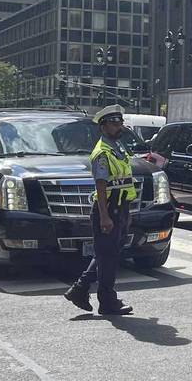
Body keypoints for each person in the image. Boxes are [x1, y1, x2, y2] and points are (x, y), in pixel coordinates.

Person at [64, 105, 136, 316]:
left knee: (108, 255)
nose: (119, 126)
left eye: (120, 123)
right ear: (103, 127)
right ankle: (106, 301)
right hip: (109, 209)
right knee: (107, 257)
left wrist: (126, 213)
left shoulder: (117, 147)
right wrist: (105, 216)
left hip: (120, 207)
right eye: (114, 123)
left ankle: (80, 289)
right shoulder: (102, 152)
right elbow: (101, 185)